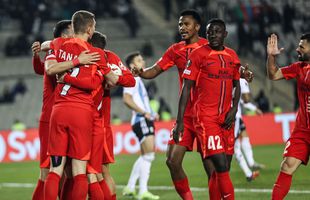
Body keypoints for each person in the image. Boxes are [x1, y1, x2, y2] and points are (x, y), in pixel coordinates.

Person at [136, 9, 253, 199]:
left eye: (186, 24)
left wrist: (244, 74)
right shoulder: (175, 50)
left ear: (197, 27)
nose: (182, 27)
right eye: (180, 24)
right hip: (188, 115)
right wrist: (141, 72)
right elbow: (155, 70)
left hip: (209, 115)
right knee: (172, 161)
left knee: (213, 169)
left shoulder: (211, 44)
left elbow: (233, 66)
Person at [43, 10, 118, 200]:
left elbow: (50, 68)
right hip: (81, 114)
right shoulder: (96, 54)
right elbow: (113, 79)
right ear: (91, 29)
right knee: (80, 172)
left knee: (55, 169)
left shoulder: (58, 43)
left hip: (58, 111)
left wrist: (70, 67)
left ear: (73, 27)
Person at [58, 31, 135, 200]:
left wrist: (111, 78)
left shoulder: (102, 59)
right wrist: (110, 78)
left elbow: (130, 80)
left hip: (94, 123)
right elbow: (128, 79)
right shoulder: (103, 59)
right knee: (80, 172)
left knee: (95, 173)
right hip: (88, 122)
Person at [173, 18, 241, 200]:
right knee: (220, 166)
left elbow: (237, 85)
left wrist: (234, 109)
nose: (213, 35)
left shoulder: (232, 56)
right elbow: (186, 88)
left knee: (223, 167)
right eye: (210, 32)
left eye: (217, 32)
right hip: (206, 118)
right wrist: (179, 121)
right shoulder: (198, 54)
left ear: (225, 34)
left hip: (227, 119)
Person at [267, 33, 310, 199]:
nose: (297, 49)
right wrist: (271, 56)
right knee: (287, 166)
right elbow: (273, 74)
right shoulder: (298, 67)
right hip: (302, 131)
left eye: (302, 46)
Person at [122, 52, 160, 200]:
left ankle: (130, 187)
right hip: (141, 119)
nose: (143, 62)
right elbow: (127, 99)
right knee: (149, 155)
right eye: (139, 60)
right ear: (132, 66)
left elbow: (137, 99)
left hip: (142, 119)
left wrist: (151, 112)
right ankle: (143, 191)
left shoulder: (138, 80)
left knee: (145, 155)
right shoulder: (132, 78)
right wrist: (144, 113)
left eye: (142, 59)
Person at [234, 78, 264, 182]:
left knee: (244, 136)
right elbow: (246, 99)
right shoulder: (240, 80)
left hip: (236, 117)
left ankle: (251, 163)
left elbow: (242, 101)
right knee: (235, 147)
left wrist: (254, 109)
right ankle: (248, 173)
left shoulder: (227, 79)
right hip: (233, 118)